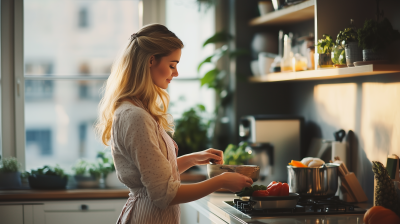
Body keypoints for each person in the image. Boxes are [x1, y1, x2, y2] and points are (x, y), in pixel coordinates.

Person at [96, 24, 253, 224]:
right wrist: (221, 181)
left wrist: (193, 159)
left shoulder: (135, 109)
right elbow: (163, 194)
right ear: (151, 60)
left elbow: (153, 175)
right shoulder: (135, 116)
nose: (176, 73)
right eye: (172, 65)